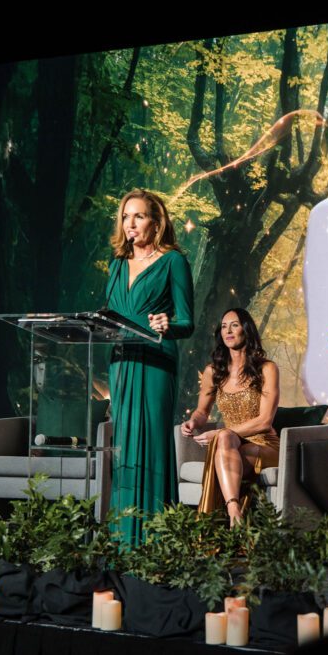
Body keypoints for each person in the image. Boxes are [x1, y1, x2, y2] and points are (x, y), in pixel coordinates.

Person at [106, 189, 194, 545]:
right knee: (123, 447)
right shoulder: (115, 265)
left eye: (139, 216)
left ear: (156, 222)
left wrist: (166, 324)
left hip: (156, 363)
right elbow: (109, 315)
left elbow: (187, 321)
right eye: (126, 217)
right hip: (121, 362)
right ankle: (122, 539)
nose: (131, 224)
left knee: (154, 444)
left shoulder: (174, 262)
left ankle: (157, 542)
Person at [180, 308, 280, 527]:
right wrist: (192, 422)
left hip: (264, 445)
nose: (228, 330)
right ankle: (234, 511)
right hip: (230, 443)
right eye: (224, 326)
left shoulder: (267, 369)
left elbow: (265, 421)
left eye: (234, 325)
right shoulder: (213, 371)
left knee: (224, 438)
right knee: (225, 439)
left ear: (246, 330)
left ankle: (226, 521)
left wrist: (225, 432)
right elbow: (202, 412)